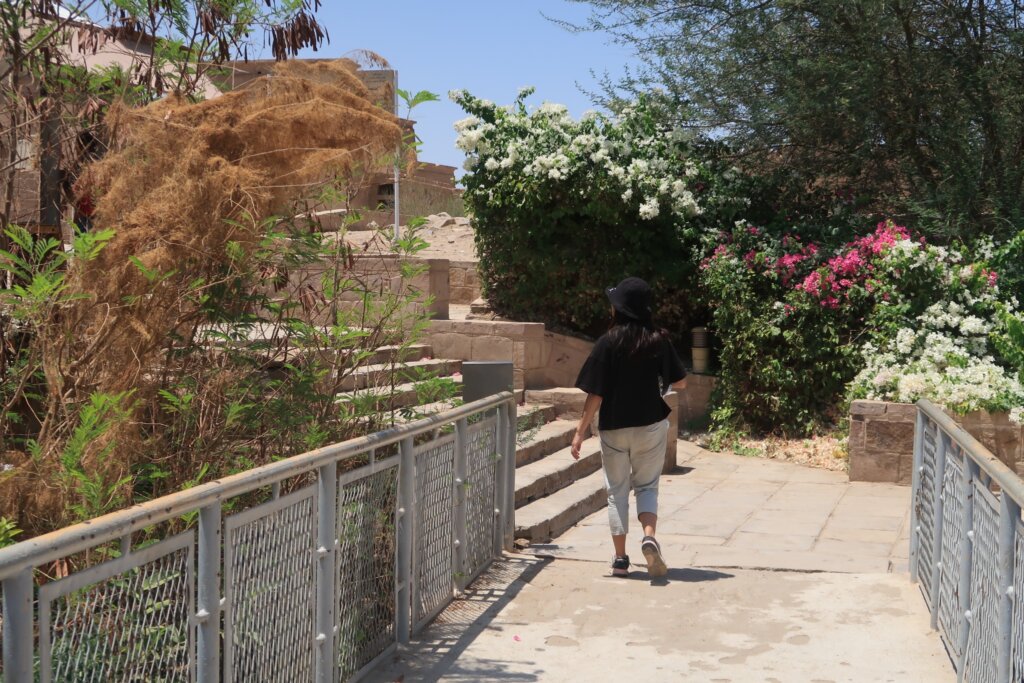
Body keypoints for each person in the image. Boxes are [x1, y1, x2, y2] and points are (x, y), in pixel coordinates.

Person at [572, 277, 687, 578]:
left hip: (614, 426)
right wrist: (659, 384)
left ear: (620, 309)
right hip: (650, 425)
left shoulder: (608, 342)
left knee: (617, 492)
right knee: (647, 487)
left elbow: (595, 393)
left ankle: (621, 559)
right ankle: (649, 537)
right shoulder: (658, 340)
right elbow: (681, 381)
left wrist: (580, 432)